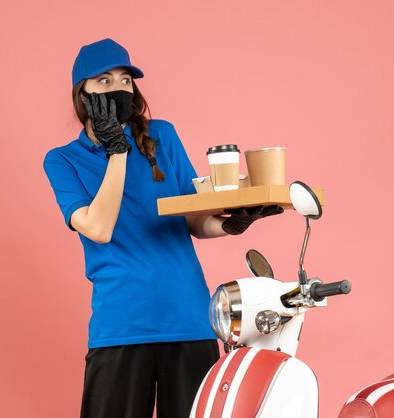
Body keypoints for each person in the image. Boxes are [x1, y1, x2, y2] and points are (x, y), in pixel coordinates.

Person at [42, 38, 283, 418]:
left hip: (189, 319)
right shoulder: (62, 161)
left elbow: (193, 218)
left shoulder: (162, 137)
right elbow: (99, 228)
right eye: (104, 81)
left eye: (125, 80)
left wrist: (233, 223)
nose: (118, 88)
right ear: (82, 94)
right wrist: (117, 151)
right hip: (121, 326)